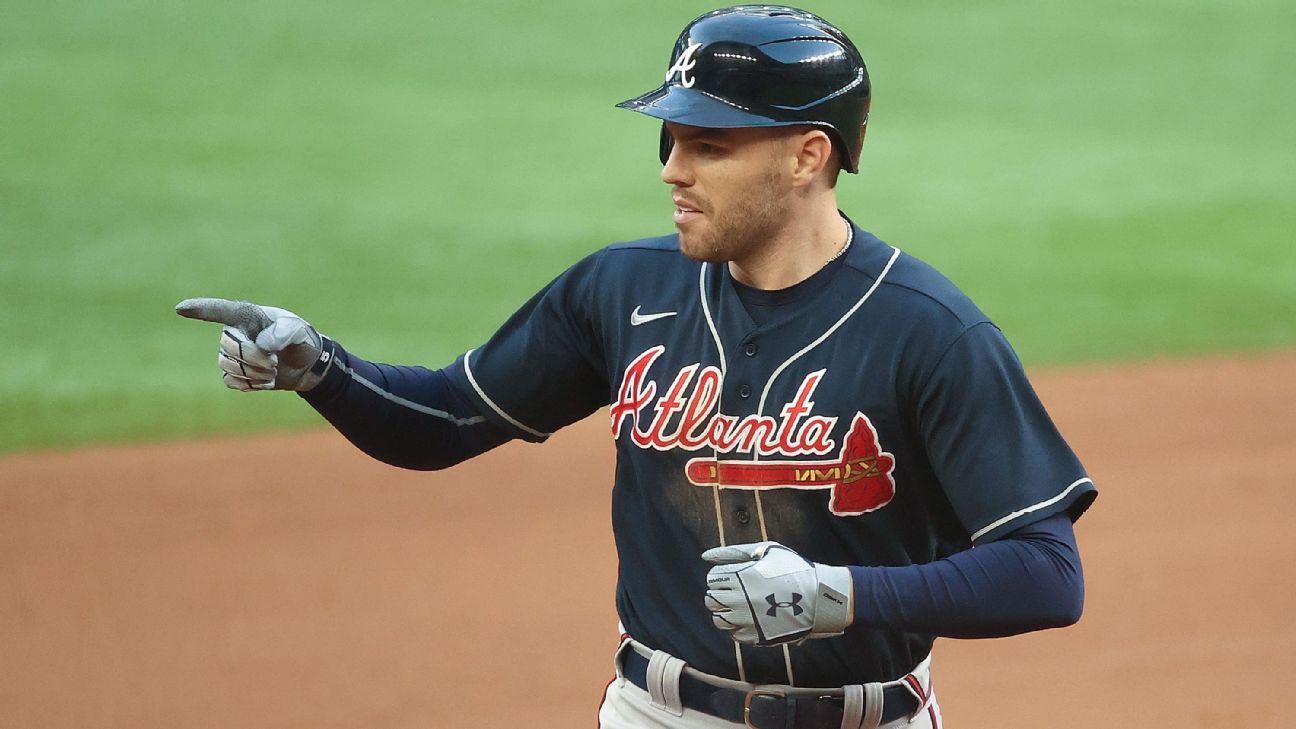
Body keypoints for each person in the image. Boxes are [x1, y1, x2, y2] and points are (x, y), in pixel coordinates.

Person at [177, 6, 1096, 728]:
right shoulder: (620, 291)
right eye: (671, 140)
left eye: (710, 145)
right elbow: (451, 420)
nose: (672, 169)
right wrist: (321, 370)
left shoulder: (929, 331)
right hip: (659, 714)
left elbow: (1046, 573)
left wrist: (839, 596)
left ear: (809, 156)